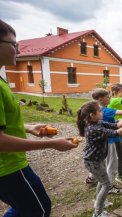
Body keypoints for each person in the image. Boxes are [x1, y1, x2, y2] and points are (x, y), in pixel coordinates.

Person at [0, 20, 78, 217]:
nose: (17, 49)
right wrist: (52, 144)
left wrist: (28, 127)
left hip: (10, 165)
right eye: (13, 44)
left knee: (27, 209)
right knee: (39, 210)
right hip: (8, 168)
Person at [77, 100, 122, 217]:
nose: (102, 111)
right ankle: (97, 213)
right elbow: (115, 133)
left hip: (97, 160)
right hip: (92, 162)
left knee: (102, 182)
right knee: (107, 185)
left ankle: (99, 203)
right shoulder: (93, 128)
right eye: (99, 110)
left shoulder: (97, 122)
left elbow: (115, 126)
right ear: (92, 115)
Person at [86, 88, 122, 190]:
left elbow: (112, 124)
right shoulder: (105, 110)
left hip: (107, 140)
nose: (110, 98)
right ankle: (109, 187)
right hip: (110, 140)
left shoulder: (100, 112)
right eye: (108, 96)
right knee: (111, 166)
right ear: (100, 99)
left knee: (106, 163)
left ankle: (97, 180)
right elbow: (116, 128)